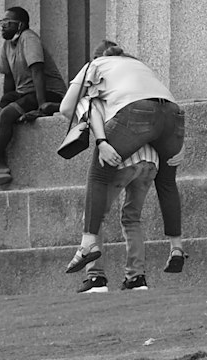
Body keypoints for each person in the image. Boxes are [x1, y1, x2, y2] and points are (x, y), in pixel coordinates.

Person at [60, 39, 187, 293]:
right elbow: (161, 107)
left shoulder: (94, 67)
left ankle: (94, 273)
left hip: (125, 154)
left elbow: (66, 108)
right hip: (160, 144)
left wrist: (101, 140)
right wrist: (180, 145)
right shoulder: (138, 67)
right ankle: (160, 259)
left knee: (95, 199)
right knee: (135, 214)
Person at [0, 6, 67, 188]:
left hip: (47, 92)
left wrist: (43, 106)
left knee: (8, 114)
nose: (3, 27)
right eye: (2, 23)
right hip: (24, 93)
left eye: (7, 23)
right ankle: (1, 168)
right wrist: (1, 102)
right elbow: (9, 78)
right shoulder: (7, 45)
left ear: (20, 25)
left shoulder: (29, 38)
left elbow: (38, 72)